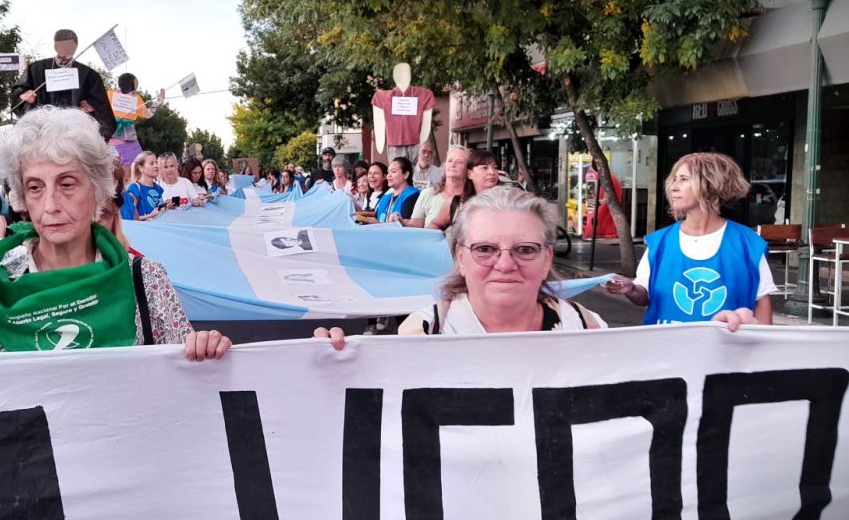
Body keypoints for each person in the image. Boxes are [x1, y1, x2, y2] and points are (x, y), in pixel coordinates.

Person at [0, 106, 231, 364]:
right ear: (21, 198)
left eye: (67, 184)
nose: (50, 204)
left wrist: (206, 353)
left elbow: (189, 385)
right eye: (35, 187)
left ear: (97, 190)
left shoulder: (145, 280)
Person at [318, 187, 606, 344]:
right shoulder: (424, 333)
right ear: (460, 258)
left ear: (547, 259)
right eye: (484, 249)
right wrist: (332, 364)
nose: (505, 264)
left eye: (525, 250)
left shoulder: (589, 330)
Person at [607, 152, 773, 326]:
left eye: (684, 179)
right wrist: (631, 288)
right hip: (667, 349)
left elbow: (762, 302)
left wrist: (762, 348)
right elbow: (645, 295)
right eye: (674, 179)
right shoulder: (660, 242)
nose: (673, 187)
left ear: (711, 184)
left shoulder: (747, 244)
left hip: (727, 350)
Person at [10, 29, 117, 138]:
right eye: (61, 45)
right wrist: (24, 96)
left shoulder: (89, 75)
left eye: (69, 46)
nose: (65, 49)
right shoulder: (37, 68)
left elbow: (104, 113)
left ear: (76, 47)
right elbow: (18, 95)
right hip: (42, 134)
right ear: (55, 46)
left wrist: (91, 110)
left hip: (75, 136)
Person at [107, 73, 165, 165]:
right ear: (132, 84)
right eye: (136, 83)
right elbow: (148, 114)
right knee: (136, 166)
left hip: (109, 136)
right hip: (128, 140)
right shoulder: (135, 99)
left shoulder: (110, 94)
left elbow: (100, 107)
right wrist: (159, 102)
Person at [411, 146, 469, 229]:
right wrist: (399, 222)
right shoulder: (428, 194)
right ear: (445, 165)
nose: (453, 165)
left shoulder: (473, 198)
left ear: (468, 170)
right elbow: (414, 227)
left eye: (459, 162)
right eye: (450, 161)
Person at [374, 157, 420, 225]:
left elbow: (407, 226)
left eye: (393, 171)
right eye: (388, 172)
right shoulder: (386, 197)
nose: (388, 176)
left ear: (406, 175)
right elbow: (376, 218)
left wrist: (377, 224)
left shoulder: (412, 195)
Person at [126, 152, 165, 220]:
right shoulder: (135, 188)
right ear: (141, 168)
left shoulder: (158, 187)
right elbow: (130, 218)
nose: (156, 166)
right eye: (151, 163)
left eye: (156, 162)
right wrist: (150, 216)